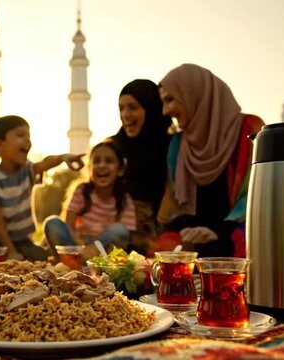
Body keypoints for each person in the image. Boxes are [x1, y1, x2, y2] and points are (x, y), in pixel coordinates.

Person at [156, 63, 265, 258]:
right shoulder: (178, 145)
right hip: (196, 241)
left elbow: (259, 195)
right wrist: (186, 231)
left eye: (170, 100)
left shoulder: (249, 130)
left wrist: (220, 231)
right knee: (167, 247)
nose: (165, 111)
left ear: (193, 93)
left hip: (238, 232)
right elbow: (174, 206)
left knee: (249, 244)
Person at [0, 115, 85, 261]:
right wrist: (11, 251)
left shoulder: (27, 171)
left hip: (22, 240)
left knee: (39, 259)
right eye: (20, 135)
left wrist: (63, 157)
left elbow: (46, 162)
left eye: (29, 136)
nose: (27, 140)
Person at [109, 79, 172, 254]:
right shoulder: (114, 147)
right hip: (114, 237)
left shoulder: (172, 148)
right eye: (121, 108)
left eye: (133, 107)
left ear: (151, 108)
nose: (125, 114)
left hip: (159, 240)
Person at [44, 140, 137, 257]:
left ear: (120, 170)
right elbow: (69, 225)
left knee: (119, 230)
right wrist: (80, 247)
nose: (102, 165)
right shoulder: (81, 191)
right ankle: (71, 260)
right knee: (53, 223)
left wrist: (93, 249)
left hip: (103, 250)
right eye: (96, 161)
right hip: (77, 245)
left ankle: (90, 262)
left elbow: (123, 235)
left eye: (109, 161)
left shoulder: (124, 199)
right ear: (89, 168)